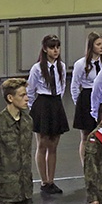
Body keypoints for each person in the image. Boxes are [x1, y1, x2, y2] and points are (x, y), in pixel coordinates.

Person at [28, 34, 69, 194]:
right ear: (45, 49)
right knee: (42, 144)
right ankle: (44, 181)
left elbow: (62, 84)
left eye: (58, 47)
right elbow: (30, 91)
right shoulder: (37, 68)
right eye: (52, 47)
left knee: (54, 145)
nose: (56, 50)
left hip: (55, 103)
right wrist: (34, 111)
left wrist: (57, 102)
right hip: (43, 105)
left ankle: (51, 180)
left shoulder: (61, 66)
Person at [71, 31, 102, 163]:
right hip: (86, 97)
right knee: (86, 135)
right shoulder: (80, 64)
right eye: (98, 44)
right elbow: (74, 86)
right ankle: (86, 165)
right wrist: (79, 104)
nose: (101, 47)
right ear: (91, 46)